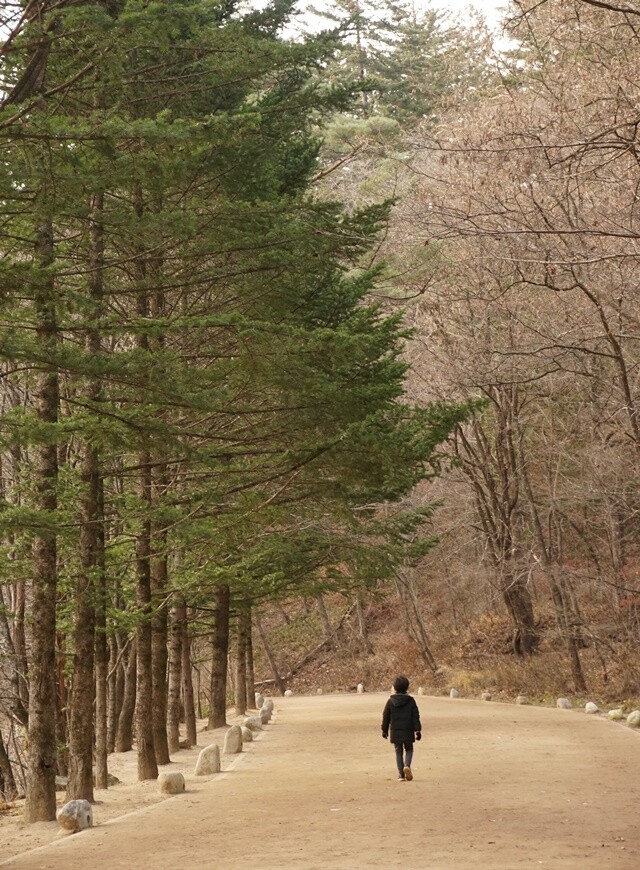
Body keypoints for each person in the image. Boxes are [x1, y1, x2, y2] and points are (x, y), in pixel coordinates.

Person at [381, 675, 422, 781]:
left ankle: (401, 775)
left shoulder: (390, 701)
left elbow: (386, 716)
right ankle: (407, 765)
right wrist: (417, 730)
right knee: (409, 749)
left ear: (395, 688)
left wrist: (384, 730)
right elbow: (415, 716)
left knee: (398, 751)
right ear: (406, 688)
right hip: (408, 730)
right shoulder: (411, 701)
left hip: (395, 731)